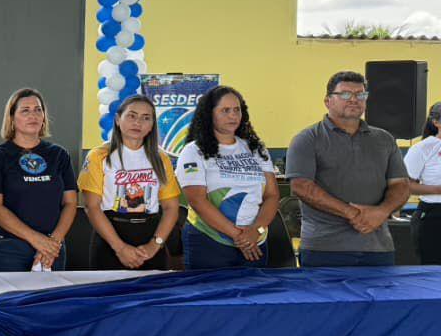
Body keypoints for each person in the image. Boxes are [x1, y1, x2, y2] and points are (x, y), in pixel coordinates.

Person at [286, 71, 410, 268]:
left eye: (360, 94)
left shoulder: (385, 139)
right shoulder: (307, 139)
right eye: (345, 94)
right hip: (324, 249)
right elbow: (301, 187)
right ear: (328, 101)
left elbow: (401, 185)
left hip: (378, 249)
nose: (354, 99)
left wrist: (382, 211)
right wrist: (351, 213)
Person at [176, 86, 281, 269]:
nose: (233, 116)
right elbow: (197, 200)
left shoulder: (256, 148)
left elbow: (272, 196)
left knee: (254, 288)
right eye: (225, 110)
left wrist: (256, 231)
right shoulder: (193, 151)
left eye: (236, 110)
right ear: (209, 114)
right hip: (209, 241)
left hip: (255, 242)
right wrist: (240, 237)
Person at [79, 94, 181, 270]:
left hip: (150, 241)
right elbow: (91, 207)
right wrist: (120, 248)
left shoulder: (160, 158)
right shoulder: (98, 155)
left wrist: (154, 245)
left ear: (152, 125)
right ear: (118, 119)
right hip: (111, 239)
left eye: (146, 118)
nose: (138, 122)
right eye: (132, 116)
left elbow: (171, 207)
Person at [0, 88, 77, 272]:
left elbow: (70, 203)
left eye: (38, 110)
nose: (33, 115)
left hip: (53, 248)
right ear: (12, 118)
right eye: (25, 110)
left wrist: (52, 243)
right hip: (10, 249)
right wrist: (37, 240)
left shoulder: (59, 155)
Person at [403, 100, 441, 265]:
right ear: (436, 122)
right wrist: (437, 190)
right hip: (434, 215)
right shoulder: (422, 148)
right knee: (433, 269)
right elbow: (405, 185)